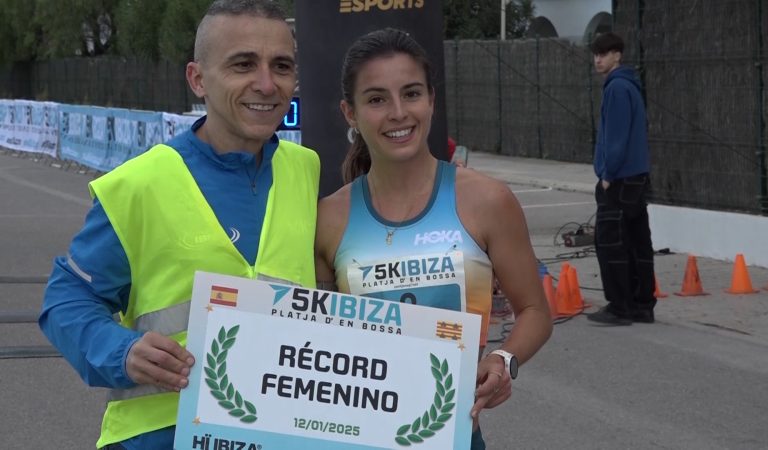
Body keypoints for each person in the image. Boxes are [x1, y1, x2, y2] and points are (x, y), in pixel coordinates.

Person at [38, 1, 319, 449]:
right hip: (156, 437)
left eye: (281, 66)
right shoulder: (139, 184)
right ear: (197, 78)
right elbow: (68, 298)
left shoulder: (306, 170)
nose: (267, 84)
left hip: (276, 435)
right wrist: (122, 351)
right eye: (243, 64)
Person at [314, 28, 553, 449]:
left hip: (454, 435)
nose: (398, 112)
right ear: (349, 113)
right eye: (376, 99)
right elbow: (313, 342)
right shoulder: (328, 218)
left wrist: (503, 359)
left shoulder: (486, 200)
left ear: (431, 100)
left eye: (411, 93)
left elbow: (535, 310)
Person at [585, 32, 656, 326]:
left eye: (604, 54)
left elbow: (616, 137)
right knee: (638, 241)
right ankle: (642, 304)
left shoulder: (616, 89)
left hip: (619, 179)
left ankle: (620, 306)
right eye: (596, 54)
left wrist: (607, 174)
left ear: (617, 55)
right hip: (637, 177)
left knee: (611, 242)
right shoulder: (631, 86)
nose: (598, 59)